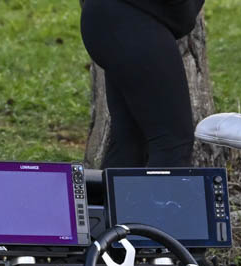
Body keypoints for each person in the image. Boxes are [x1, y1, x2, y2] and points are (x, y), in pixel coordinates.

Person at [80, 0, 205, 168]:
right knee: (172, 144)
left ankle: (117, 186)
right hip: (131, 18)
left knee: (130, 142)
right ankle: (163, 187)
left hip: (116, 18)